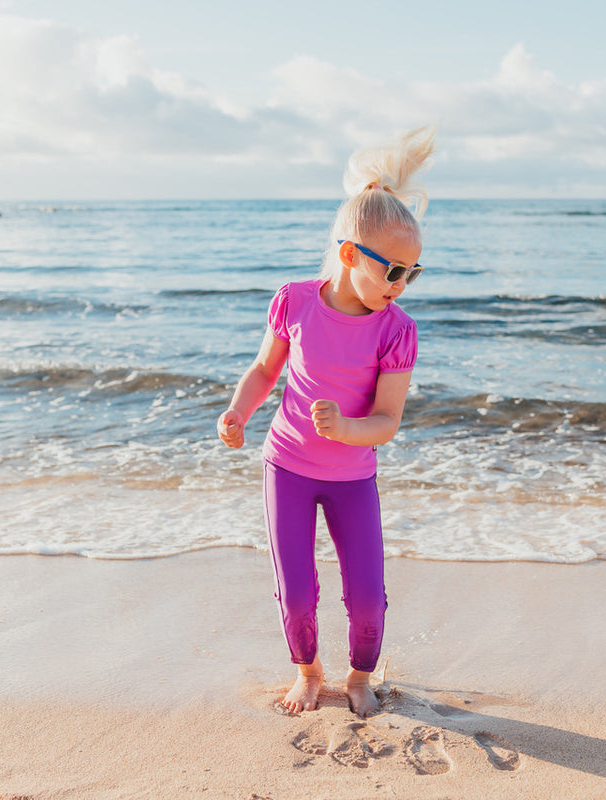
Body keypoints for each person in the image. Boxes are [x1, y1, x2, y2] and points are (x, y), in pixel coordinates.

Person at [216, 128, 435, 717]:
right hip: (287, 466)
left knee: (366, 596)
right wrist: (239, 410)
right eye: (392, 271)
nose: (399, 286)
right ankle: (309, 672)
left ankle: (360, 677)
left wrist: (346, 428)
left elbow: (387, 420)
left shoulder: (398, 330)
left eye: (411, 274)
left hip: (352, 477)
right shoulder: (294, 301)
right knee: (297, 591)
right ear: (348, 255)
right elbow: (264, 370)